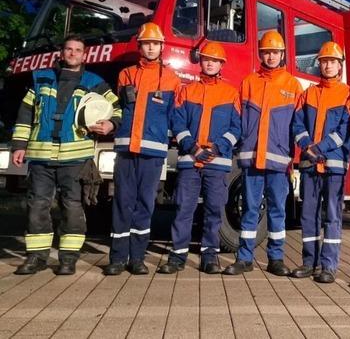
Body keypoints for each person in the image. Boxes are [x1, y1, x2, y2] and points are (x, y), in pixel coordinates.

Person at [11, 35, 121, 275]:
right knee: (37, 206)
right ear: (61, 53)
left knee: (72, 207)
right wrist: (19, 145)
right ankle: (37, 257)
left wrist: (111, 124)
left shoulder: (95, 82)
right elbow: (25, 114)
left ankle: (68, 258)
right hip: (41, 156)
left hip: (75, 158)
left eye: (77, 50)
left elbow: (117, 109)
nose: (72, 53)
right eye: (68, 49)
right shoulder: (40, 79)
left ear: (84, 55)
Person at [104, 23, 181, 276]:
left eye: (155, 43)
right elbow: (121, 108)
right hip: (126, 149)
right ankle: (117, 258)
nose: (151, 47)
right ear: (140, 46)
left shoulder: (171, 79)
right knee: (122, 202)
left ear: (161, 47)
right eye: (146, 43)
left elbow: (173, 116)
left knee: (145, 204)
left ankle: (137, 257)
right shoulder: (126, 74)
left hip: (153, 152)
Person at [223, 30, 302, 276]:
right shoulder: (248, 82)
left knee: (278, 210)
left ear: (282, 55)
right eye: (267, 52)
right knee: (250, 208)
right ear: (261, 54)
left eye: (275, 53)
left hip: (278, 163)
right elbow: (237, 119)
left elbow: (299, 124)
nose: (270, 57)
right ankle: (244, 257)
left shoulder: (292, 85)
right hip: (251, 160)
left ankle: (276, 258)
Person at [158, 42, 240, 274]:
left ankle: (209, 256)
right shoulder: (187, 90)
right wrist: (192, 147)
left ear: (221, 64)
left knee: (214, 210)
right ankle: (177, 256)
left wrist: (217, 148)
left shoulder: (231, 92)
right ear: (200, 62)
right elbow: (177, 122)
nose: (210, 63)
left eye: (214, 60)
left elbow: (236, 128)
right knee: (184, 208)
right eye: (206, 59)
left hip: (217, 162)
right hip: (189, 161)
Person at [290, 41, 350, 283]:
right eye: (324, 61)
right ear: (319, 64)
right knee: (308, 215)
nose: (328, 65)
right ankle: (309, 262)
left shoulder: (349, 94)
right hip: (310, 164)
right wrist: (307, 145)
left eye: (332, 61)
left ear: (340, 65)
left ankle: (328, 266)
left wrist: (317, 147)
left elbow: (345, 130)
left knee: (332, 215)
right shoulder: (308, 93)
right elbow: (296, 124)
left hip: (333, 166)